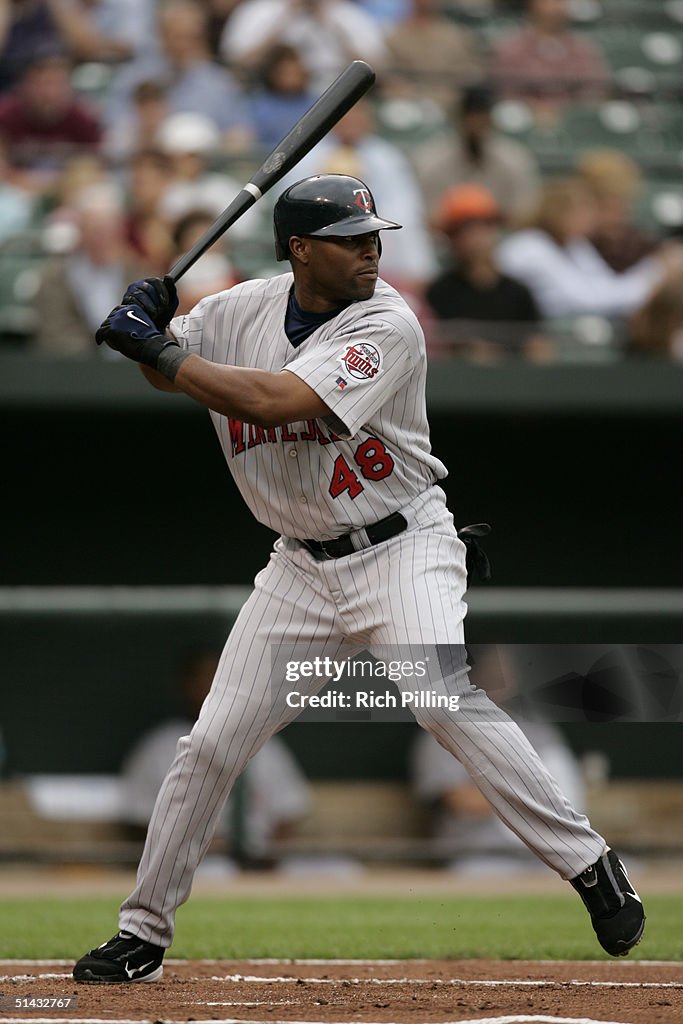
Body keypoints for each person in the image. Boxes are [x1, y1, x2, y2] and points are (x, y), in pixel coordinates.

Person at [72, 173, 645, 984]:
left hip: (399, 546)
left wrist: (154, 342)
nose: (370, 250)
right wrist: (150, 324)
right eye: (350, 239)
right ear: (300, 249)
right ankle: (143, 932)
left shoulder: (388, 322)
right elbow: (170, 372)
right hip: (297, 566)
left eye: (374, 236)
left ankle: (589, 864)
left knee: (441, 696)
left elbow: (274, 401)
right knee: (209, 745)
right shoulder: (240, 310)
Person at [121, 649, 310, 861]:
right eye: (198, 678)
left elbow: (288, 813)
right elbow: (138, 820)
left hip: (261, 856)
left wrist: (268, 858)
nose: (205, 685)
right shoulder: (158, 746)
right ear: (183, 685)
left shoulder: (263, 740)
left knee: (339, 870)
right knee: (218, 872)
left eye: (214, 676)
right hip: (197, 860)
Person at [411, 645, 586, 874]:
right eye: (491, 667)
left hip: (544, 852)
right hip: (481, 855)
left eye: (504, 667)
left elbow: (567, 790)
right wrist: (531, 794)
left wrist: (516, 793)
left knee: (619, 871)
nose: (499, 675)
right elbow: (459, 800)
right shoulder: (443, 730)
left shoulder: (537, 729)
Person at [496, 177, 665, 319]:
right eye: (581, 211)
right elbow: (585, 300)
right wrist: (652, 278)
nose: (588, 219)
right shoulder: (529, 247)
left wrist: (654, 269)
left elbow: (605, 285)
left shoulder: (575, 245)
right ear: (558, 212)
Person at [424, 183, 546, 359]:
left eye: (481, 229)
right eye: (464, 232)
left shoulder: (518, 293)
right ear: (451, 239)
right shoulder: (439, 292)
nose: (474, 240)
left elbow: (539, 348)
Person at [411, 83, 541, 227]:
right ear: (459, 119)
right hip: (442, 242)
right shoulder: (430, 159)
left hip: (499, 241)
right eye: (471, 118)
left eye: (482, 118)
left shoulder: (514, 159)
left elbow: (524, 216)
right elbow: (425, 217)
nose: (476, 125)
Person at [220, 0, 386, 93]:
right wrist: (283, 19)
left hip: (336, 94)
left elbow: (376, 70)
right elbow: (236, 63)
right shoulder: (258, 10)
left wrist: (329, 25)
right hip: (270, 94)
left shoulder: (349, 15)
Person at [491, 0, 609, 117]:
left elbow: (596, 90)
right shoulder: (511, 48)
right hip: (522, 120)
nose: (557, 7)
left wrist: (564, 111)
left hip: (575, 123)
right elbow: (505, 92)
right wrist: (534, 107)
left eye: (560, 2)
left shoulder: (583, 49)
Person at [383, 0, 483, 115]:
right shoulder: (395, 36)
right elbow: (390, 73)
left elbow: (472, 70)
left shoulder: (454, 35)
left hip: (450, 98)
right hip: (409, 99)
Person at [576, 148, 659, 275]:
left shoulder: (640, 247)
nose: (619, 216)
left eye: (625, 204)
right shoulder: (571, 246)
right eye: (607, 207)